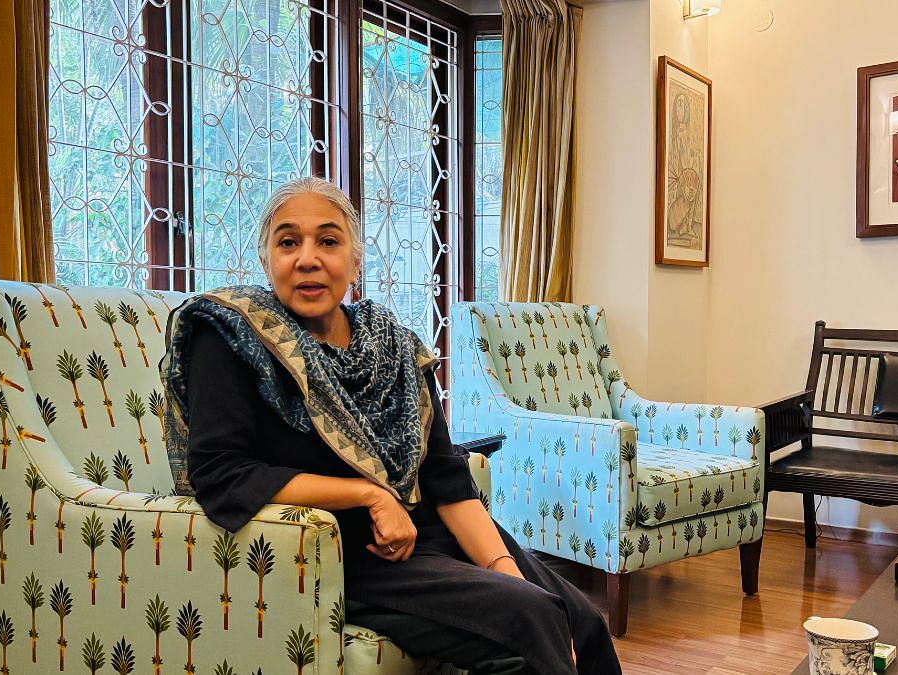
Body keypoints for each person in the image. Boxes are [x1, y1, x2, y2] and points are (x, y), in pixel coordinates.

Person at [160, 177, 621, 675]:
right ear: (266, 258)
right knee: (532, 621)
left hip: (428, 532)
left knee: (584, 620)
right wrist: (370, 495)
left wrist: (504, 570)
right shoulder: (231, 336)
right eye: (288, 241)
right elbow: (221, 472)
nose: (308, 258)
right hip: (345, 553)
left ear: (355, 262)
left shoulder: (394, 346)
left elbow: (446, 477)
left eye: (329, 241)